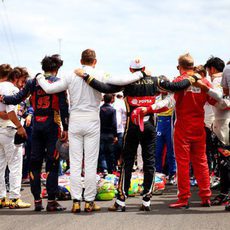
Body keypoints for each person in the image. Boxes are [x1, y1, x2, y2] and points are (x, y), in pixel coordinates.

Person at [75, 57, 200, 211]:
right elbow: (177, 86)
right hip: (149, 127)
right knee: (149, 162)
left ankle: (121, 202)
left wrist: (86, 76)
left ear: (130, 70)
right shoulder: (156, 80)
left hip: (131, 127)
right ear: (144, 68)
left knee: (127, 162)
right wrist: (193, 77)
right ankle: (146, 200)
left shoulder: (127, 82)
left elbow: (104, 88)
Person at [35, 49, 144, 213]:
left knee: (76, 162)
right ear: (95, 61)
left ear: (81, 60)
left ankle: (76, 201)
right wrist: (140, 75)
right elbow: (122, 80)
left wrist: (39, 77)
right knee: (92, 162)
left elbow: (50, 89)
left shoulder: (71, 75)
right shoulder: (99, 73)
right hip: (92, 118)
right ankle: (90, 201)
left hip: (75, 120)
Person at [0, 55, 69, 212]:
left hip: (37, 125)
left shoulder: (32, 82)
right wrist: (66, 128)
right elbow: (64, 107)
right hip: (52, 124)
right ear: (57, 68)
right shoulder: (58, 82)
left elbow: (16, 98)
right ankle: (51, 201)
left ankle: (37, 200)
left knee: (35, 163)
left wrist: (3, 98)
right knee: (52, 162)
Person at [0, 67, 30, 209]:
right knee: (15, 166)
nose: (23, 85)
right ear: (16, 77)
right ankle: (14, 198)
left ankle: (1, 198)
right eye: (22, 81)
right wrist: (20, 127)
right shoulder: (11, 89)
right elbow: (11, 111)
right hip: (10, 131)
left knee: (0, 167)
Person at [204, 57, 230, 208]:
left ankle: (225, 193)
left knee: (225, 162)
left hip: (223, 126)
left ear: (212, 69)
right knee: (222, 163)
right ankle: (224, 192)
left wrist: (214, 100)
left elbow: (225, 103)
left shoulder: (216, 82)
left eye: (208, 71)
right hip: (219, 125)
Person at [98, 94, 117, 174]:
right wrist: (115, 135)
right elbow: (114, 123)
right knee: (110, 153)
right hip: (109, 134)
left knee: (101, 152)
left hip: (101, 133)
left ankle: (103, 168)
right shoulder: (112, 110)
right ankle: (110, 169)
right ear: (111, 99)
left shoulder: (100, 109)